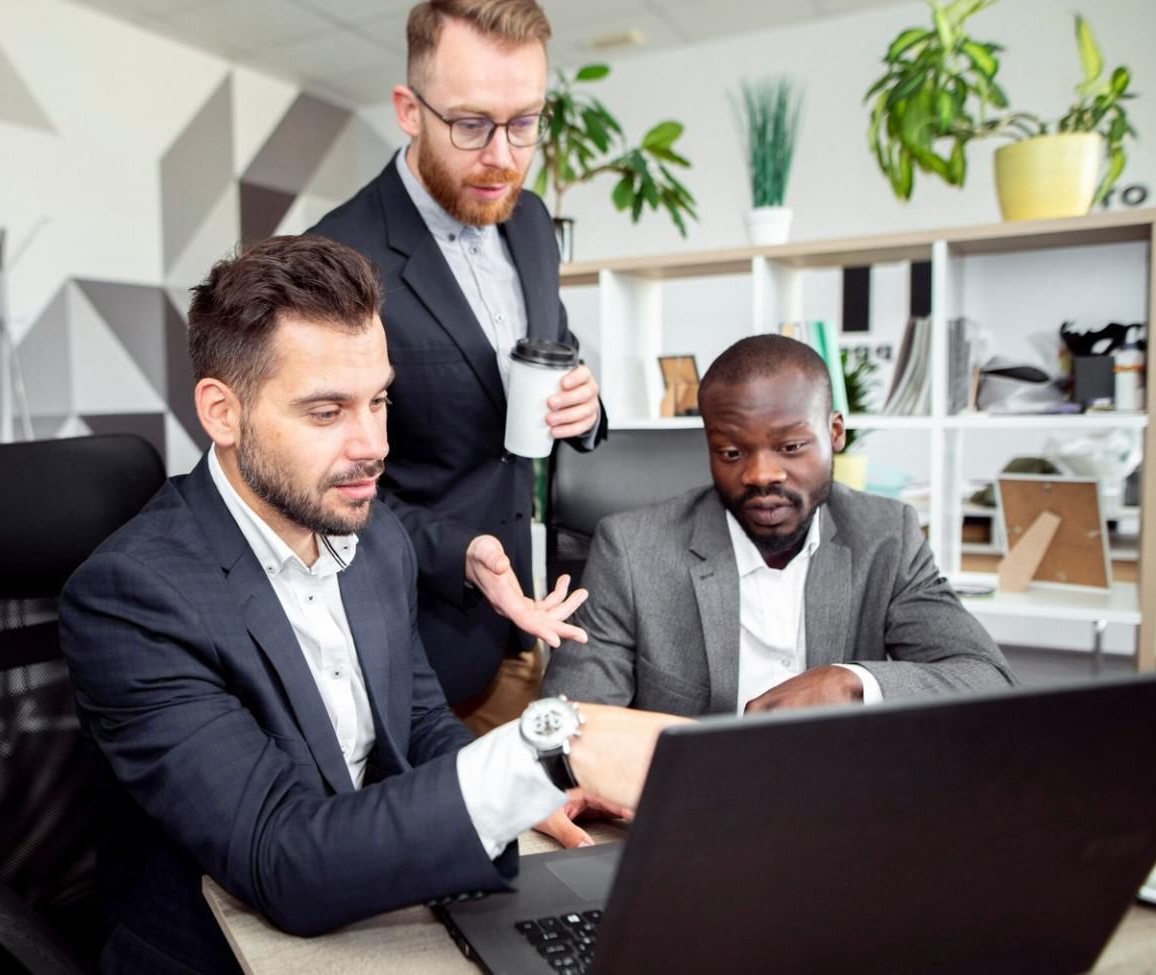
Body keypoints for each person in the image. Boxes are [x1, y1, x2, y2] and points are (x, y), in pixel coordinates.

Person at [59, 235, 681, 974]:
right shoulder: (132, 598)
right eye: (328, 412)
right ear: (223, 413)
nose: (375, 445)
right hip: (225, 949)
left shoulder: (370, 530)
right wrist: (543, 753)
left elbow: (418, 725)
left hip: (373, 912)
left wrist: (520, 798)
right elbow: (280, 859)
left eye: (380, 399)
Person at [309, 0, 606, 731]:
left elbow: (556, 345)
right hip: (411, 649)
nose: (503, 156)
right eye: (471, 125)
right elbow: (317, 487)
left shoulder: (532, 222)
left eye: (526, 122)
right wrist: (460, 554)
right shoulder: (336, 259)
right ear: (409, 110)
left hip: (525, 622)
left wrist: (587, 409)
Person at [542, 334, 1016, 716]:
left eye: (790, 447)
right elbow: (567, 721)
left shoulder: (886, 536)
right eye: (730, 452)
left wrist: (852, 683)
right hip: (693, 805)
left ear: (834, 434)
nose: (759, 475)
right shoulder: (632, 550)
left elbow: (986, 678)